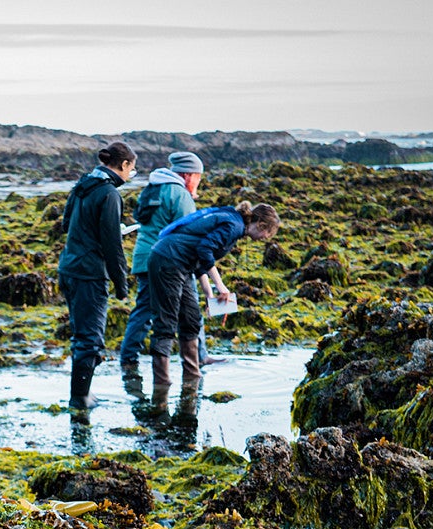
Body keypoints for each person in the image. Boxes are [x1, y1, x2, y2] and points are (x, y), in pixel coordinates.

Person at [147, 200, 281, 392]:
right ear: (261, 225)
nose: (266, 238)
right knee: (166, 322)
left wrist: (210, 295)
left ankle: (192, 376)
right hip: (167, 260)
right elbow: (205, 250)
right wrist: (221, 286)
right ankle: (161, 384)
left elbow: (200, 260)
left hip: (182, 264)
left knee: (192, 319)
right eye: (268, 233)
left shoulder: (234, 224)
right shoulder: (233, 225)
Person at [57, 140, 136, 411]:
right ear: (123, 165)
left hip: (68, 266)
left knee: (80, 335)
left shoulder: (82, 184)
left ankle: (80, 394)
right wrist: (121, 283)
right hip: (90, 273)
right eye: (131, 170)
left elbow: (66, 223)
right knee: (90, 339)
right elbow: (112, 244)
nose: (129, 176)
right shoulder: (110, 194)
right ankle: (80, 398)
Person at [120, 151, 203, 369]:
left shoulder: (152, 187)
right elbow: (189, 233)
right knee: (190, 306)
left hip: (143, 257)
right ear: (187, 175)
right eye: (198, 176)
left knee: (144, 310)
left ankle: (128, 358)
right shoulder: (180, 195)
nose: (199, 182)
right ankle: (200, 356)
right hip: (170, 262)